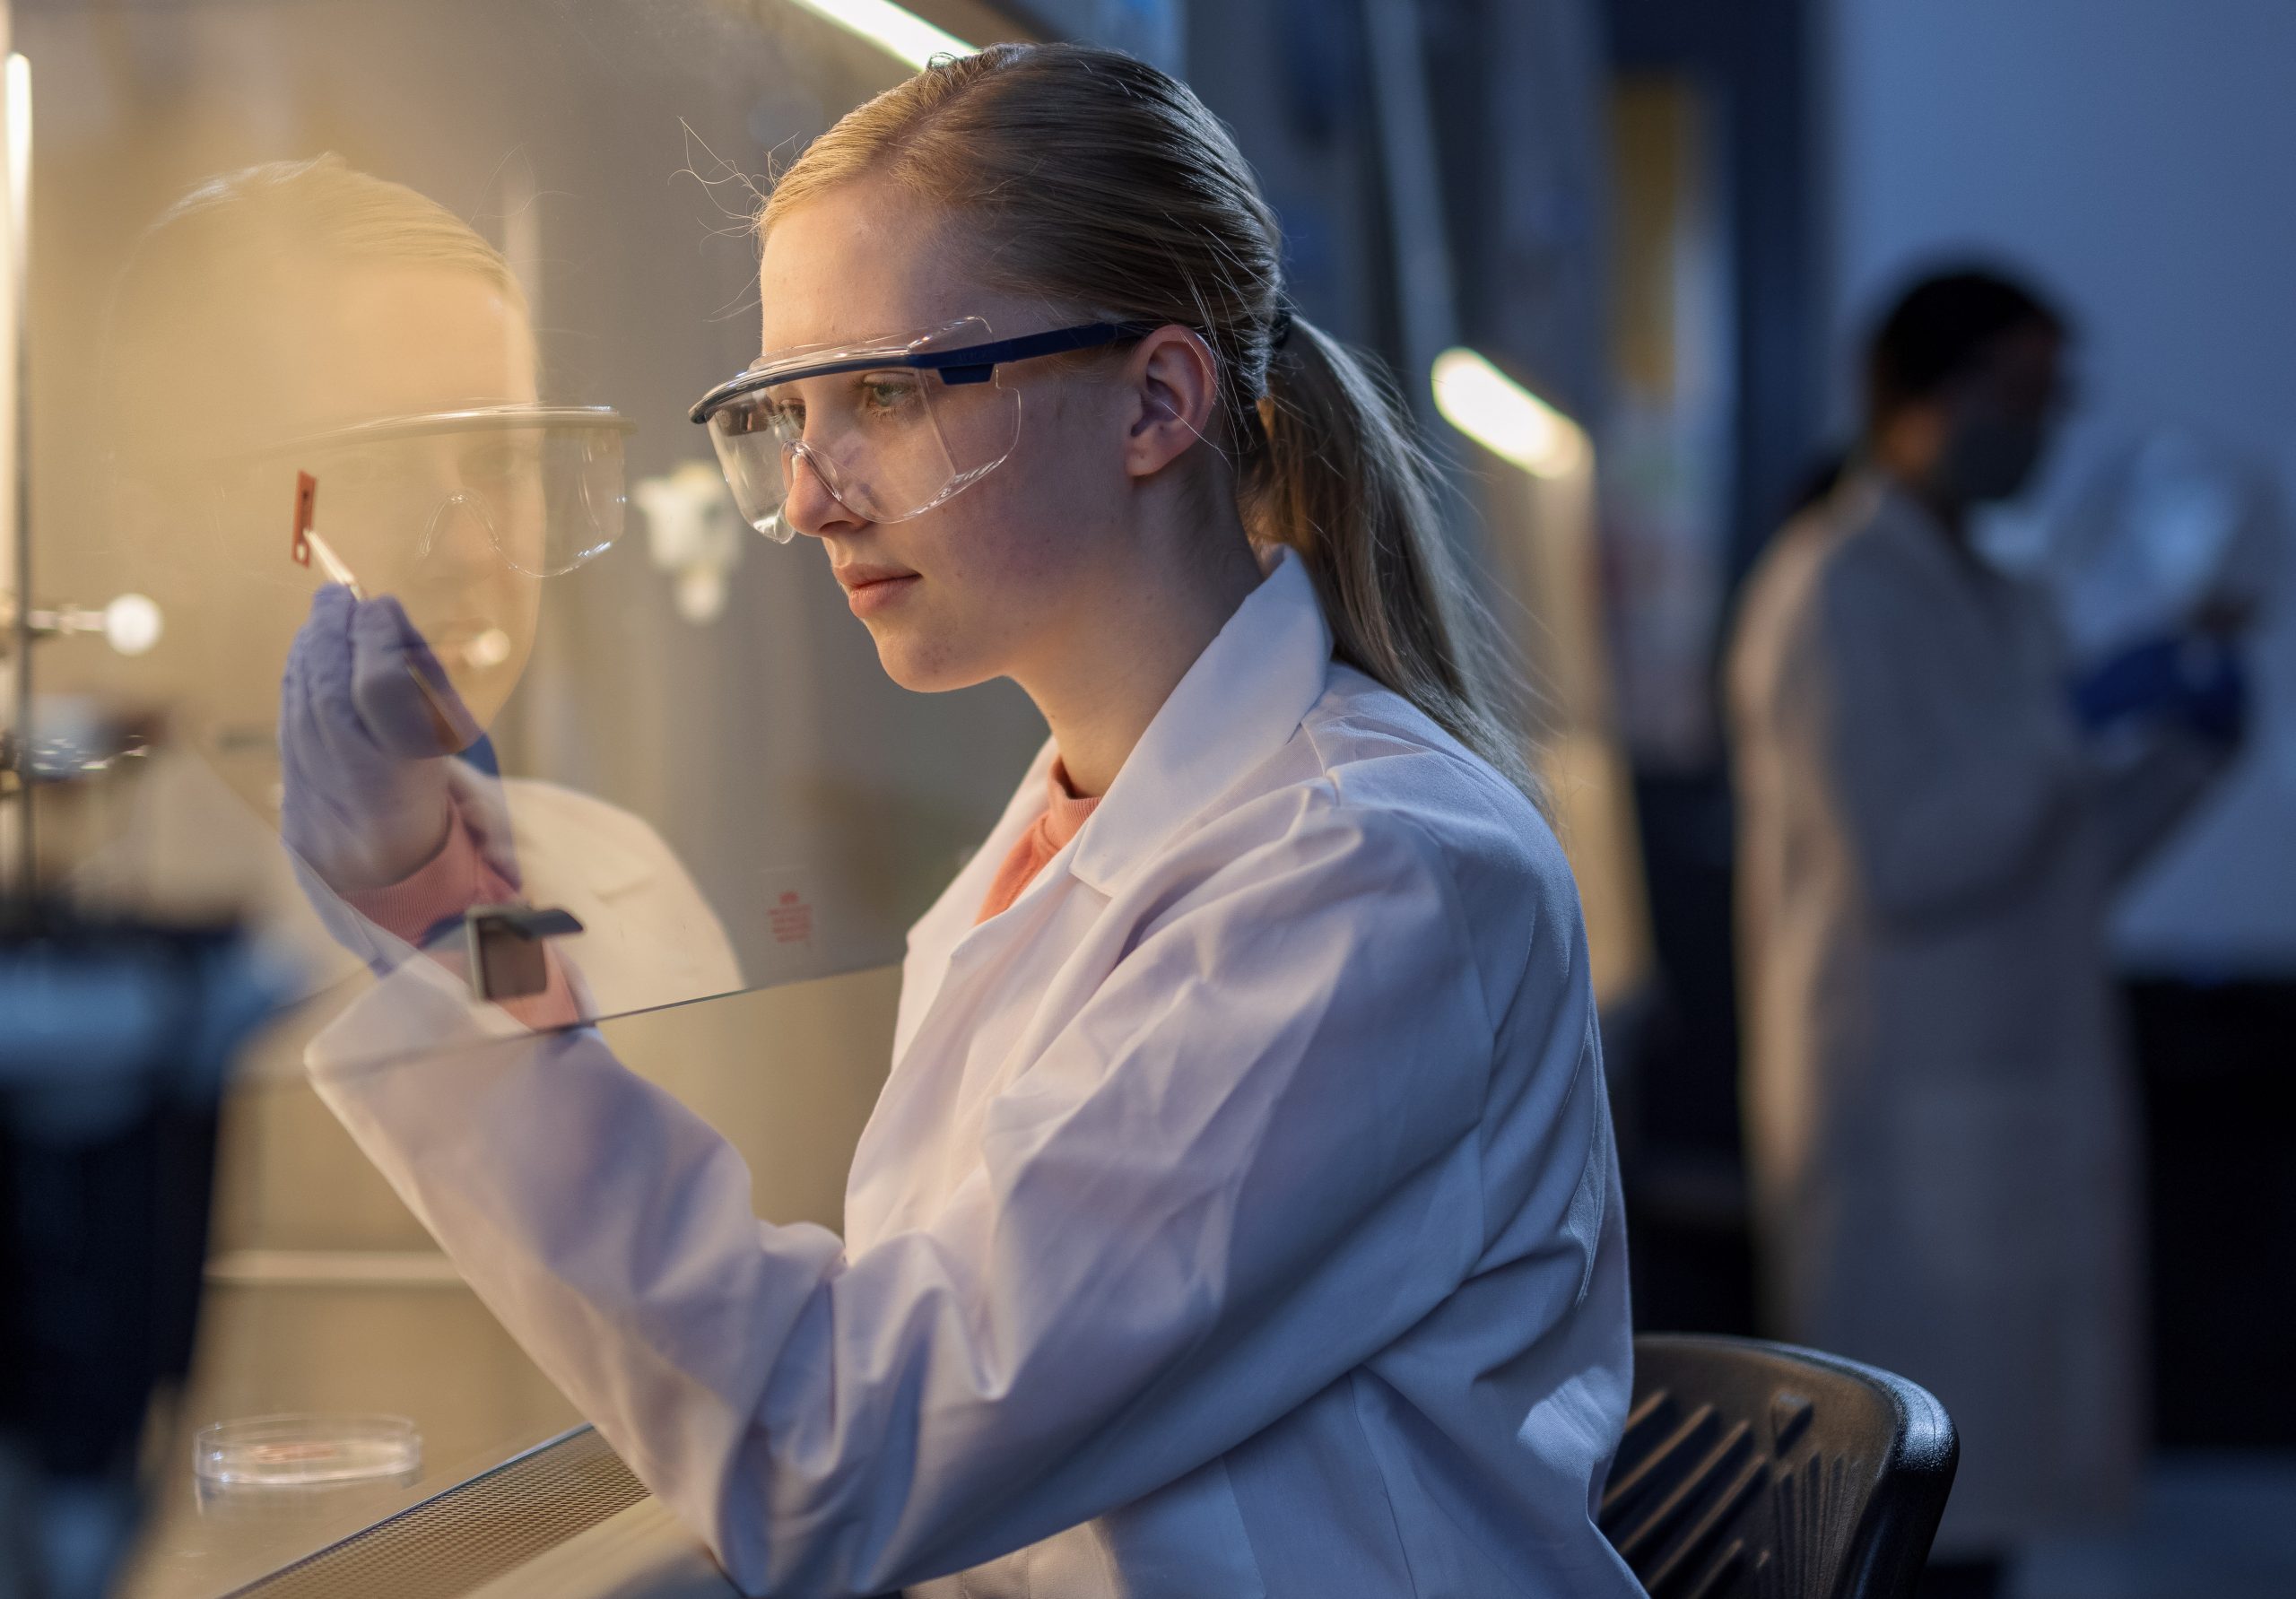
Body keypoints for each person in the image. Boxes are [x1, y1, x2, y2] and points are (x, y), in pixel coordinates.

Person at [299, 41, 1639, 1598]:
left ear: (1154, 401)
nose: (809, 498)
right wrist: (473, 927)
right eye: (784, 415)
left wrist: (456, 934)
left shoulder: (1372, 876)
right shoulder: (1066, 839)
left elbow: (845, 1457)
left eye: (882, 393)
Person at [1726, 268, 2244, 1595]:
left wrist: (2185, 759)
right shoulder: (1833, 588)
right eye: (2016, 397)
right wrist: (2075, 720)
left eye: (2049, 402)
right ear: (1921, 397)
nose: (2038, 432)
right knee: (1903, 1534)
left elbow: (2056, 869)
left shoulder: (2009, 598)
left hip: (2011, 1116)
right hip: (1903, 1139)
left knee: (1984, 1527)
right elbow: (1906, 859)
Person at [98, 155, 738, 1021]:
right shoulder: (83, 940)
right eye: (366, 471)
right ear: (163, 535)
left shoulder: (634, 881)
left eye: (501, 458)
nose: (472, 550)